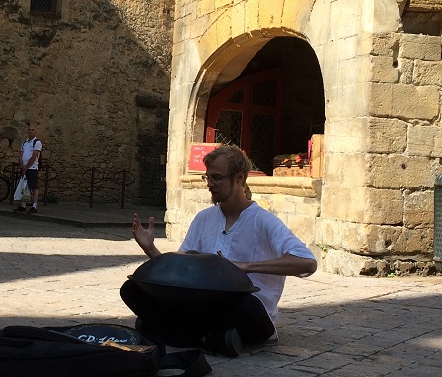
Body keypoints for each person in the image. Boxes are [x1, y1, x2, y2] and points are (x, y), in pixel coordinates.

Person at [120, 145, 317, 357]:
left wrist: (246, 267)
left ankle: (171, 331)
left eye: (217, 178)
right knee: (131, 289)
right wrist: (150, 249)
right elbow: (179, 275)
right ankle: (212, 338)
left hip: (245, 311)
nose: (210, 184)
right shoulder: (203, 218)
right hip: (203, 306)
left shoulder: (264, 221)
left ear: (239, 178)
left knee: (246, 305)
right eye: (207, 178)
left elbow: (307, 263)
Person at [13, 124, 42, 214]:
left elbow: (34, 156)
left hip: (32, 168)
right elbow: (21, 154)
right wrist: (22, 164)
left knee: (34, 187)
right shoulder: (24, 143)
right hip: (24, 168)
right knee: (24, 186)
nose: (30, 131)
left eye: (33, 130)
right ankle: (23, 205)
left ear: (35, 131)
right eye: (29, 130)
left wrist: (27, 166)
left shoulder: (37, 142)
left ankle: (34, 205)